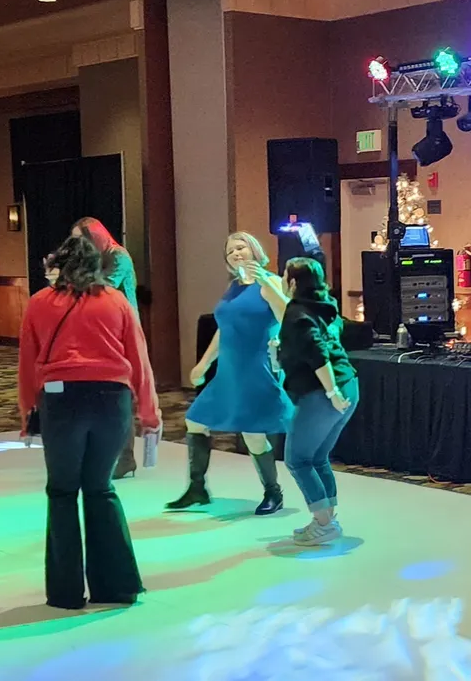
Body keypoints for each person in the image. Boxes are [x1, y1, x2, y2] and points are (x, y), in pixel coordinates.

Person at [18, 235, 160, 610]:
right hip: (110, 401)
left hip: (61, 401)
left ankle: (65, 593)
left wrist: (27, 411)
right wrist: (149, 412)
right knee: (100, 488)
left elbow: (28, 361)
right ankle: (116, 587)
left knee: (63, 492)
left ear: (59, 265)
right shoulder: (116, 302)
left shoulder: (39, 303)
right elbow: (139, 358)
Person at [166, 232, 293, 516]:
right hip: (228, 372)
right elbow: (224, 330)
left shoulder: (270, 282)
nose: (236, 253)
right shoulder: (233, 287)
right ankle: (197, 488)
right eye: (230, 251)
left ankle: (273, 492)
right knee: (195, 421)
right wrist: (204, 364)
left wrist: (263, 281)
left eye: (241, 247)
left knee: (253, 436)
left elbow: (287, 315)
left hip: (256, 369)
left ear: (254, 250)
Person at [277, 256, 359, 546]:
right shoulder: (323, 306)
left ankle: (324, 524)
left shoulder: (297, 313)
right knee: (317, 457)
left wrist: (332, 393)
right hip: (348, 383)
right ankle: (326, 519)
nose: (282, 279)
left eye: (285, 274)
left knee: (298, 460)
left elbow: (317, 352)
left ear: (294, 281)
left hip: (323, 392)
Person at [70, 217, 141, 480]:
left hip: (122, 332)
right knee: (96, 395)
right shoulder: (91, 259)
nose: (80, 245)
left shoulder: (118, 256)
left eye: (83, 239)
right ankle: (103, 454)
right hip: (99, 332)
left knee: (119, 396)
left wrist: (74, 278)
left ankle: (125, 457)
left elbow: (104, 289)